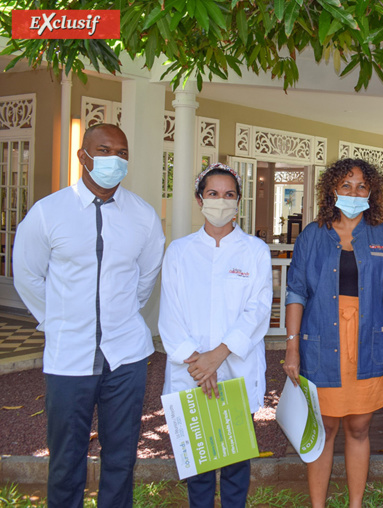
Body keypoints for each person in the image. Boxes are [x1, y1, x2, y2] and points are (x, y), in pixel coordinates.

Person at [13, 123, 165, 508]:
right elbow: (28, 275)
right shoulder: (49, 213)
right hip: (68, 357)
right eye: (104, 150)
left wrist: (120, 313)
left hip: (126, 357)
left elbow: (146, 276)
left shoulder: (144, 216)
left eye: (122, 153)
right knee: (66, 459)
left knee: (121, 457)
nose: (114, 159)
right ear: (83, 156)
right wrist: (58, 320)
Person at [282, 158, 383, 508]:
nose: (354, 192)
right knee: (324, 429)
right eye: (346, 185)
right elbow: (296, 292)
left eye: (362, 186)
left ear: (372, 192)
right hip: (321, 343)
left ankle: (355, 504)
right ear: (332, 190)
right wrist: (292, 347)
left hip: (368, 344)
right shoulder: (312, 235)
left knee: (359, 428)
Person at [158, 163, 272, 507]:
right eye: (213, 194)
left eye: (228, 194)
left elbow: (258, 310)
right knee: (200, 466)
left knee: (236, 463)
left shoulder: (254, 250)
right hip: (191, 372)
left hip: (236, 369)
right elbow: (170, 313)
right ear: (199, 200)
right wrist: (199, 362)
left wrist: (217, 356)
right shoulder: (179, 251)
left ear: (238, 201)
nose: (221, 201)